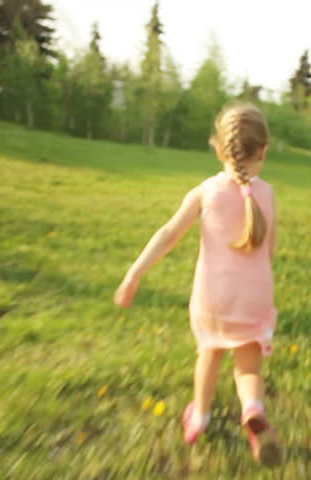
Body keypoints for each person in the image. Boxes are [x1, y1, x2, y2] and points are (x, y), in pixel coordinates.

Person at [114, 103, 281, 466]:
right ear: (263, 151)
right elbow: (270, 251)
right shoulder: (267, 194)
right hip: (254, 298)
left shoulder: (206, 191)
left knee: (209, 354)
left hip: (213, 300)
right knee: (248, 367)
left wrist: (135, 274)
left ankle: (200, 417)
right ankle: (252, 407)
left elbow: (169, 234)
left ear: (219, 149)